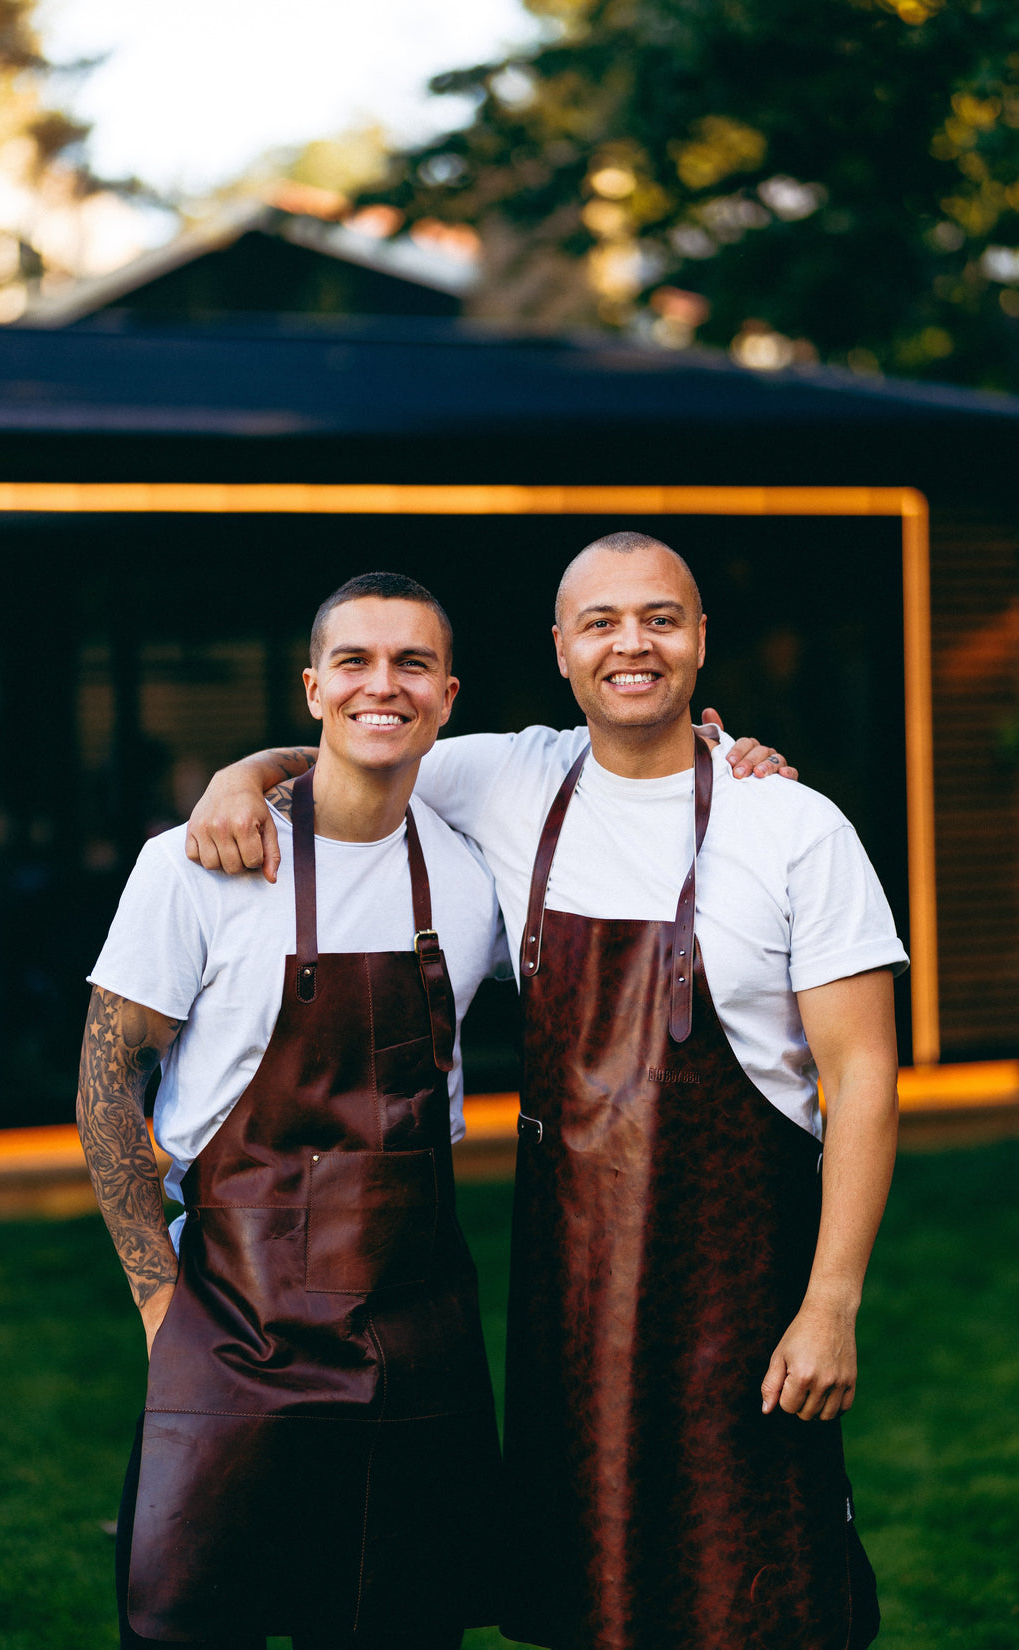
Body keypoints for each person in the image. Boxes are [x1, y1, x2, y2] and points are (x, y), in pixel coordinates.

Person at [188, 533, 905, 1650]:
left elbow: (860, 1075)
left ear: (700, 641)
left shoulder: (791, 826)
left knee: (761, 1593)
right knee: (597, 1594)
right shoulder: (509, 775)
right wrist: (241, 774)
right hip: (572, 1296)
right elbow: (364, 737)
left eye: (660, 619)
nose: (633, 644)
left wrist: (830, 1306)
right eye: (603, 623)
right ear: (562, 651)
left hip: (745, 1288)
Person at [78, 573, 514, 1650]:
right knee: (188, 1629)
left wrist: (732, 763)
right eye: (355, 661)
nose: (384, 684)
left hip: (417, 1342)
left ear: (447, 696)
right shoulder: (194, 869)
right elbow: (102, 1089)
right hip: (227, 1331)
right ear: (311, 686)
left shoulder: (475, 875)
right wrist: (158, 1309)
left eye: (411, 663)